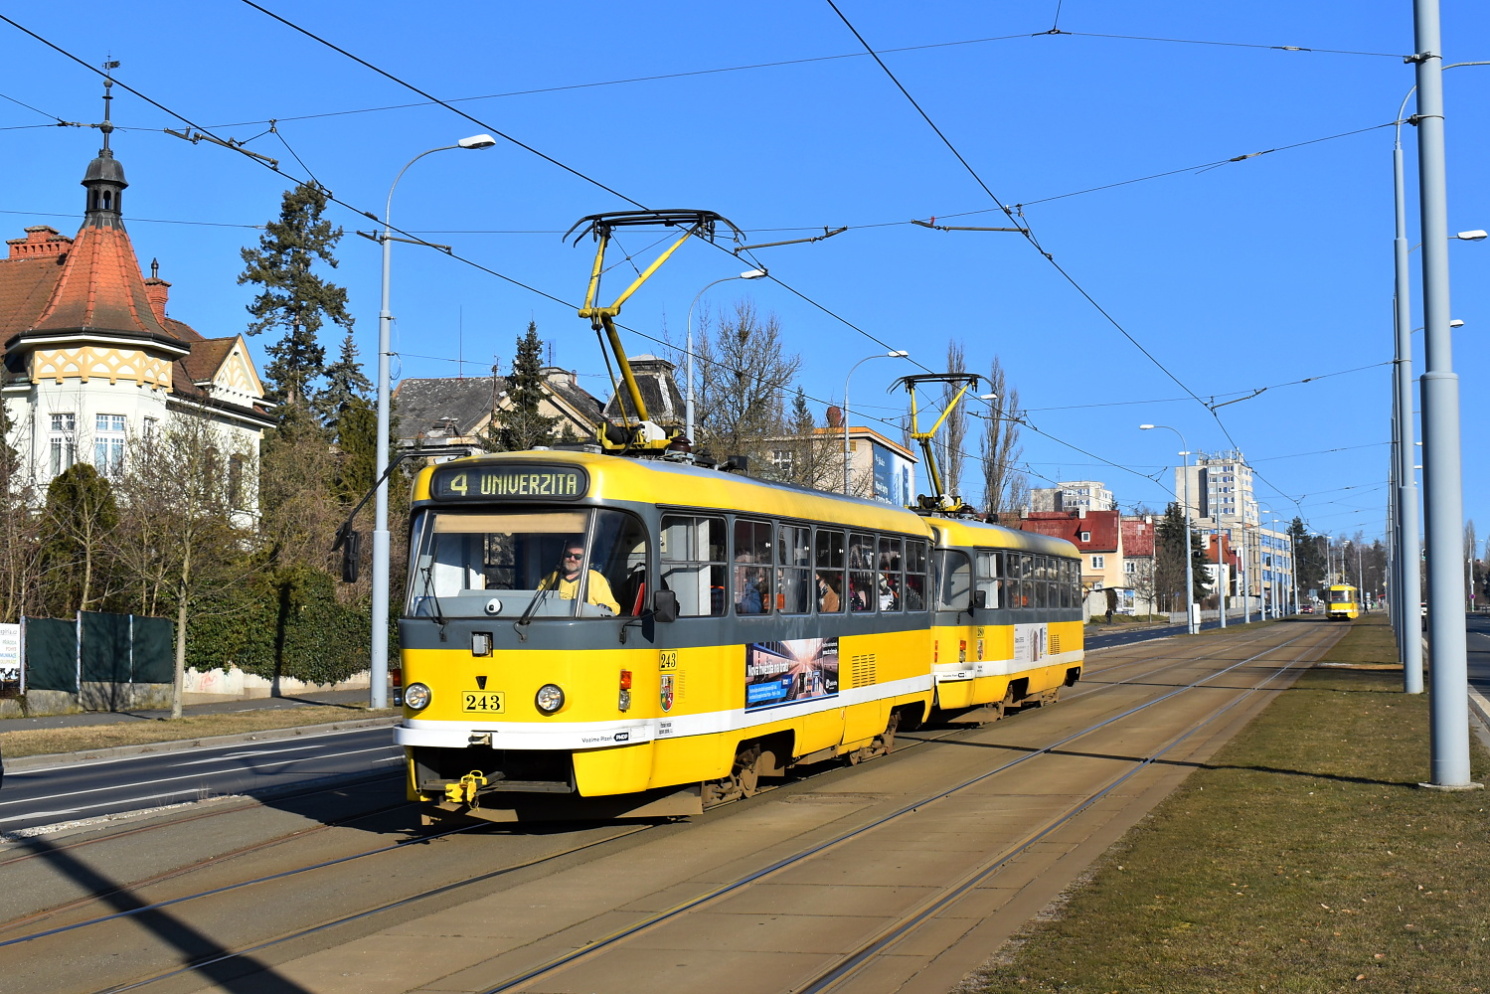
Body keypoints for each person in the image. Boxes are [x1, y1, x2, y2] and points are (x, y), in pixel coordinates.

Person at [540, 541, 621, 615]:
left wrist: (605, 608)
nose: (572, 559)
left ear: (586, 559)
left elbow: (614, 608)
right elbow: (535, 602)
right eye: (568, 555)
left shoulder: (596, 578)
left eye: (577, 556)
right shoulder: (551, 577)